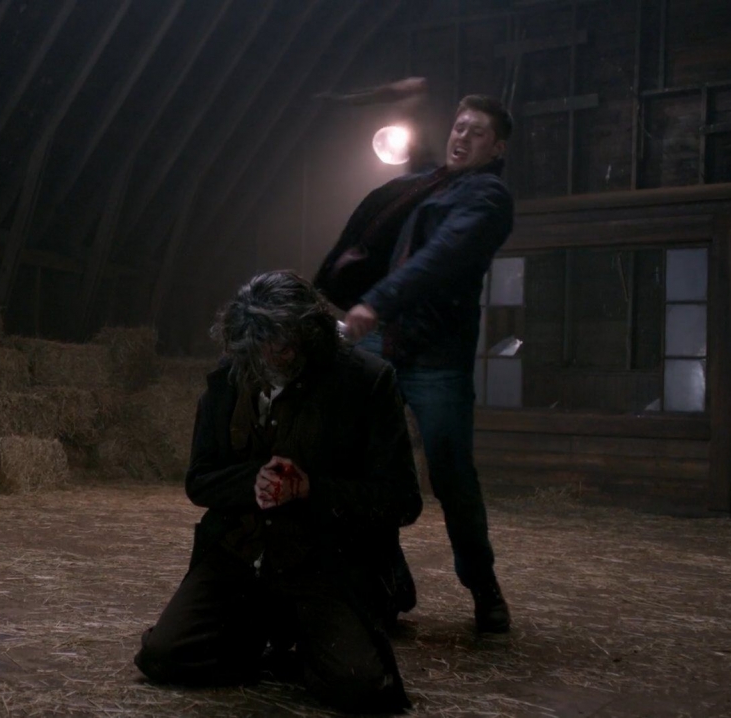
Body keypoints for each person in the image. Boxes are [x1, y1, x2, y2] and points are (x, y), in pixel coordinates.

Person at [134, 271, 421, 715]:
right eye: (259, 345)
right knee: (163, 657)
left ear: (311, 333)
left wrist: (311, 488)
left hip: (325, 559)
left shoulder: (366, 381)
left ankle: (310, 636)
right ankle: (270, 636)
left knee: (362, 688)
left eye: (283, 345)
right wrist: (253, 480)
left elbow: (401, 500)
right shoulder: (229, 379)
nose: (271, 356)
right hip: (243, 552)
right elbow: (200, 479)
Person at [314, 93, 515, 633]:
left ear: (496, 148)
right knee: (357, 463)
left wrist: (375, 303)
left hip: (436, 356)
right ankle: (385, 585)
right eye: (459, 126)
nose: (462, 137)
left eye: (476, 132)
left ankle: (483, 587)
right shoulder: (426, 186)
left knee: (451, 474)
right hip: (382, 343)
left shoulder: (487, 198)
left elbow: (440, 256)